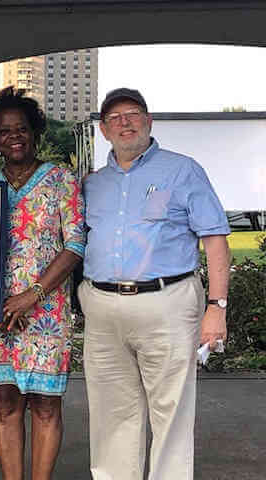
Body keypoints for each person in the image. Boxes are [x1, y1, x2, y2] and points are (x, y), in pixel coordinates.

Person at [78, 88, 230, 480]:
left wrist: (217, 307)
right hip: (103, 307)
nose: (124, 122)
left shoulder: (183, 170)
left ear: (149, 122)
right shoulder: (94, 184)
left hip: (167, 302)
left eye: (132, 114)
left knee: (171, 411)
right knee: (112, 412)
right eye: (114, 118)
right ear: (104, 131)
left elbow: (215, 238)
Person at [0, 87, 85, 480]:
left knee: (45, 405)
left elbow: (74, 246)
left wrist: (31, 296)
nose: (14, 136)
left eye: (21, 128)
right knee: (5, 404)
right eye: (4, 131)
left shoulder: (60, 179)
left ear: (34, 131)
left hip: (47, 311)